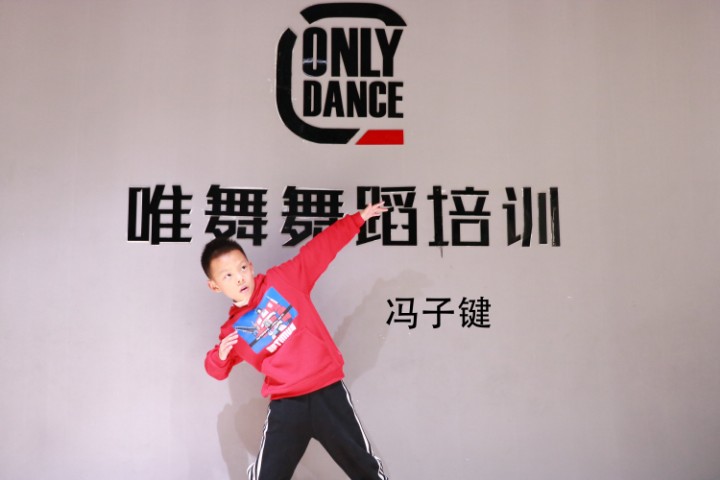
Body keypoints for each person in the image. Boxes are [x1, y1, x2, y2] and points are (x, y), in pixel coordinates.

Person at [202, 202, 389, 480]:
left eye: (242, 268)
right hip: (287, 406)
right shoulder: (234, 330)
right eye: (227, 275)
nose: (239, 278)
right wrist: (219, 357)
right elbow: (216, 368)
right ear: (215, 286)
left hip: (327, 393)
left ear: (251, 267)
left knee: (365, 469)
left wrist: (356, 220)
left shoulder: (284, 280)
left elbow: (320, 249)